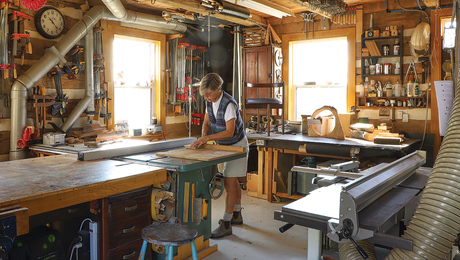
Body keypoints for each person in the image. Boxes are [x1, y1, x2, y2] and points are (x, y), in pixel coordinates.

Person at [190, 73, 248, 238]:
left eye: (209, 93)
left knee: (229, 185)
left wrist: (207, 138)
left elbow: (229, 132)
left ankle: (227, 223)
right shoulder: (209, 101)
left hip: (237, 146)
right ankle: (237, 214)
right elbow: (206, 123)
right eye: (204, 94)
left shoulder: (228, 104)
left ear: (218, 89)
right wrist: (203, 139)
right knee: (232, 180)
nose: (206, 97)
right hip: (223, 147)